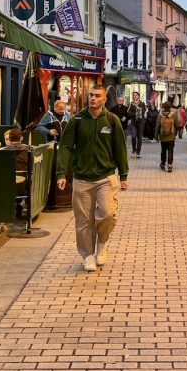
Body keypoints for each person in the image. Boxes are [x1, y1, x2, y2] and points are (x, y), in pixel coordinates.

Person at [57, 85, 129, 272]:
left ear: (104, 99)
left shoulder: (112, 121)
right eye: (91, 95)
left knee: (107, 214)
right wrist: (61, 173)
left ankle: (102, 243)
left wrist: (123, 174)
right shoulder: (77, 120)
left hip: (106, 177)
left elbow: (120, 147)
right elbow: (65, 147)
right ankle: (87, 255)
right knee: (83, 220)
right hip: (82, 178)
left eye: (97, 96)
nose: (93, 99)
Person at [154, 102, 179, 171]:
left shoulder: (160, 115)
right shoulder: (173, 114)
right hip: (171, 136)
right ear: (170, 107)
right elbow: (177, 124)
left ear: (163, 107)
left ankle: (162, 163)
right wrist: (176, 133)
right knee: (171, 150)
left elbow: (157, 126)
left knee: (163, 150)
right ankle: (170, 165)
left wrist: (156, 136)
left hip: (163, 136)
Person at [125, 92, 147, 158]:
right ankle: (134, 150)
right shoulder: (130, 104)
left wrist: (137, 107)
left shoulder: (142, 103)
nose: (134, 96)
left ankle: (138, 152)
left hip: (141, 122)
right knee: (133, 136)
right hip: (134, 122)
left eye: (136, 95)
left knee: (139, 137)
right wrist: (136, 113)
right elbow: (128, 113)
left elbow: (143, 112)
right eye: (133, 95)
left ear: (138, 96)